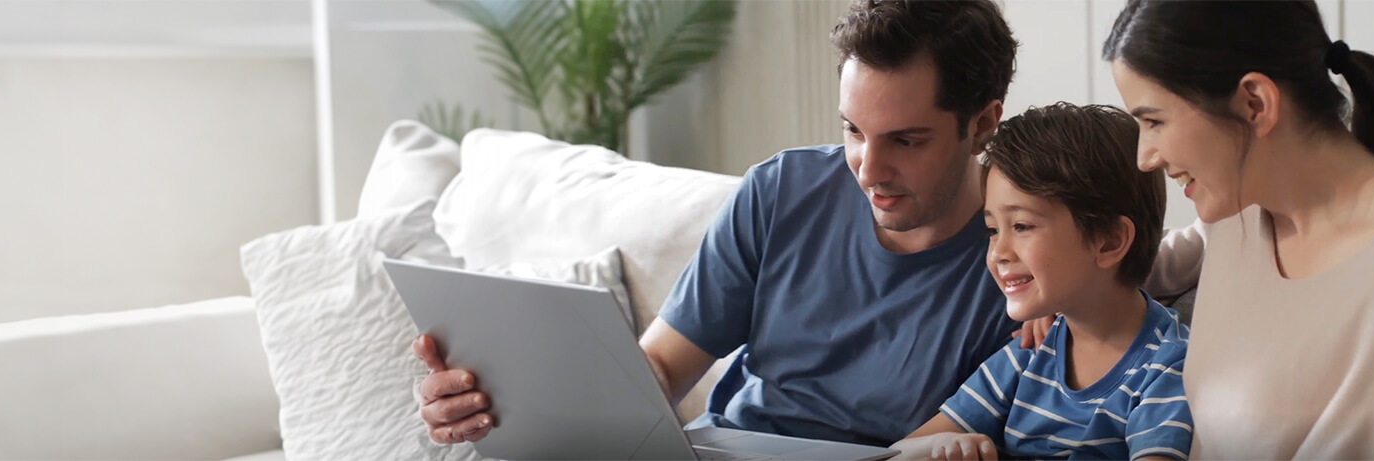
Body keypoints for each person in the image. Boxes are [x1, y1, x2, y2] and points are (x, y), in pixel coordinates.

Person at [414, 0, 1036, 447]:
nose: (868, 170)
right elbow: (658, 369)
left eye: (905, 140)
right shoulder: (781, 192)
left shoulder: (1031, 259)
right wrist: (510, 402)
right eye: (852, 130)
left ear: (982, 124)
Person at [1102, 0, 1374, 458]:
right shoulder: (1235, 220)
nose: (1145, 157)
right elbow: (1125, 267)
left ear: (1255, 102)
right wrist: (1051, 294)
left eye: (1154, 121)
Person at [889, 103, 1193, 461]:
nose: (998, 252)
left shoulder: (1168, 369)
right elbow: (898, 452)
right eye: (992, 230)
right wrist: (938, 448)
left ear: (1109, 241)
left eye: (1021, 226)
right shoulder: (1031, 352)